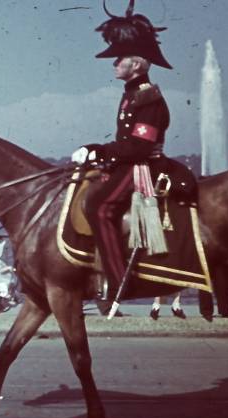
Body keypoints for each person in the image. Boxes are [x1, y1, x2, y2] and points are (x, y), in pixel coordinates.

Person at [70, 7, 175, 302]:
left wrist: (98, 149)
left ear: (137, 64)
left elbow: (139, 147)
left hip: (143, 167)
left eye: (120, 58)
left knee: (99, 207)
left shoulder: (147, 97)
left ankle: (120, 282)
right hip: (128, 163)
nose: (114, 63)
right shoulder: (131, 93)